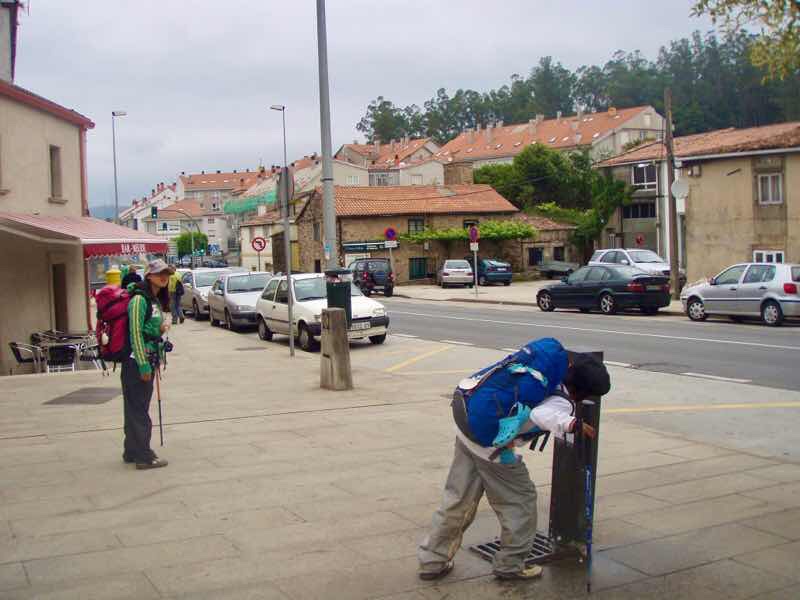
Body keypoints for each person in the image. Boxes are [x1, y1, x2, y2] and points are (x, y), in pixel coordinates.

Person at [417, 348, 610, 582]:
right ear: (583, 391)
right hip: (491, 447)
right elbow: (541, 416)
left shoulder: (547, 372)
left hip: (468, 425)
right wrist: (572, 424)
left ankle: (432, 561)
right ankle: (510, 565)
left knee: (458, 499)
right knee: (521, 501)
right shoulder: (562, 400)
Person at [121, 259, 172, 470]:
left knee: (135, 407)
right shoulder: (139, 300)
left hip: (148, 358)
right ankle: (143, 456)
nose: (164, 277)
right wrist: (143, 365)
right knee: (139, 409)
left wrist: (161, 329)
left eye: (167, 273)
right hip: (137, 362)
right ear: (149, 275)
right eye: (160, 273)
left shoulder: (153, 299)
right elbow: (135, 333)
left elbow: (148, 329)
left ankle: (132, 450)